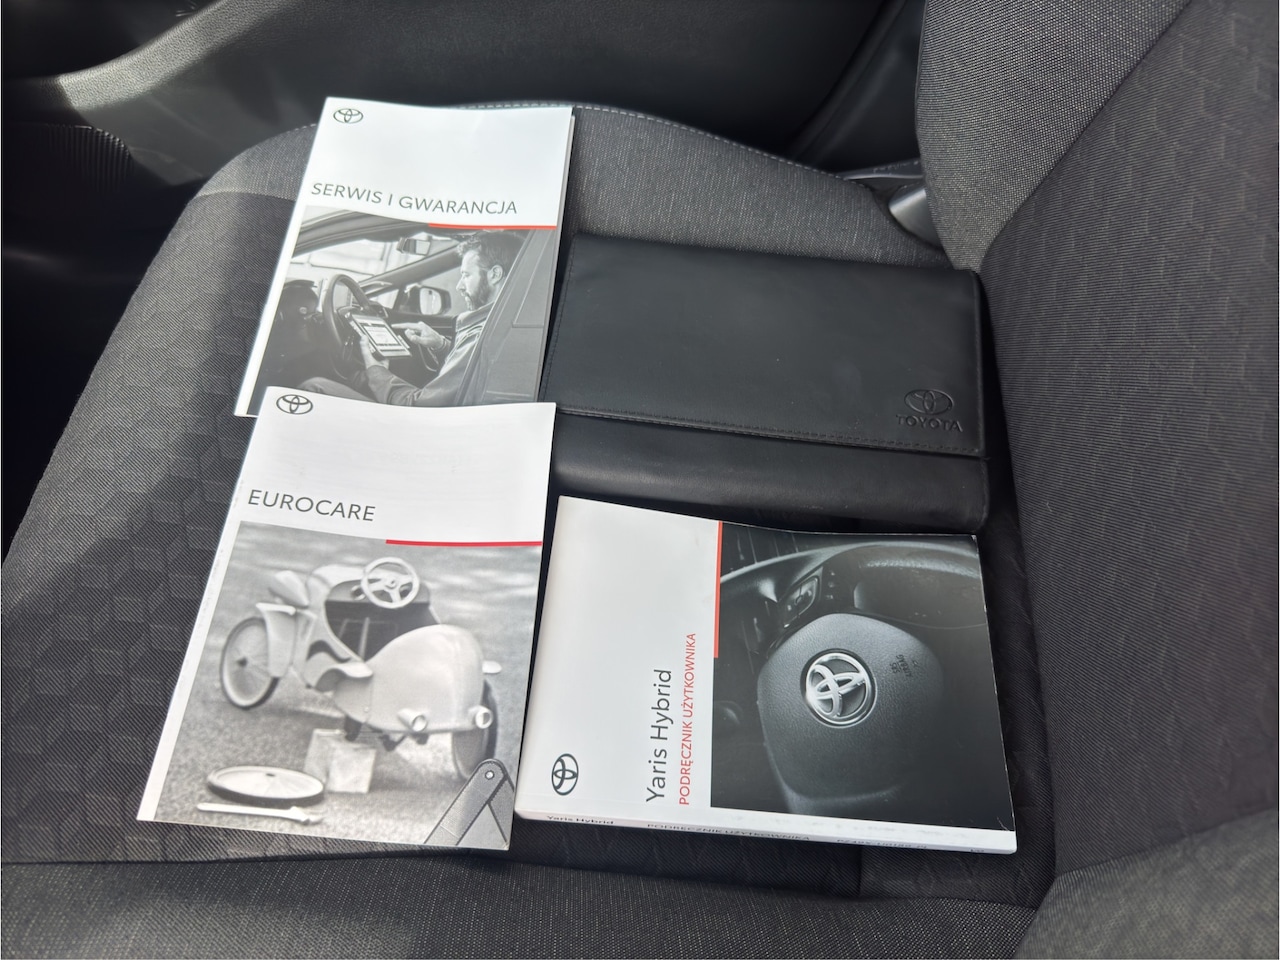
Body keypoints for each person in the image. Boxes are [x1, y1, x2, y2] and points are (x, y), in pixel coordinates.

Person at [301, 230, 522, 406]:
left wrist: (376, 371)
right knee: (359, 379)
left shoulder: (483, 337)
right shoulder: (499, 325)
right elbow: (472, 372)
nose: (459, 286)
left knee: (314, 387)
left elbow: (417, 405)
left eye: (466, 275)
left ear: (495, 274)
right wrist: (440, 345)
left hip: (420, 425)